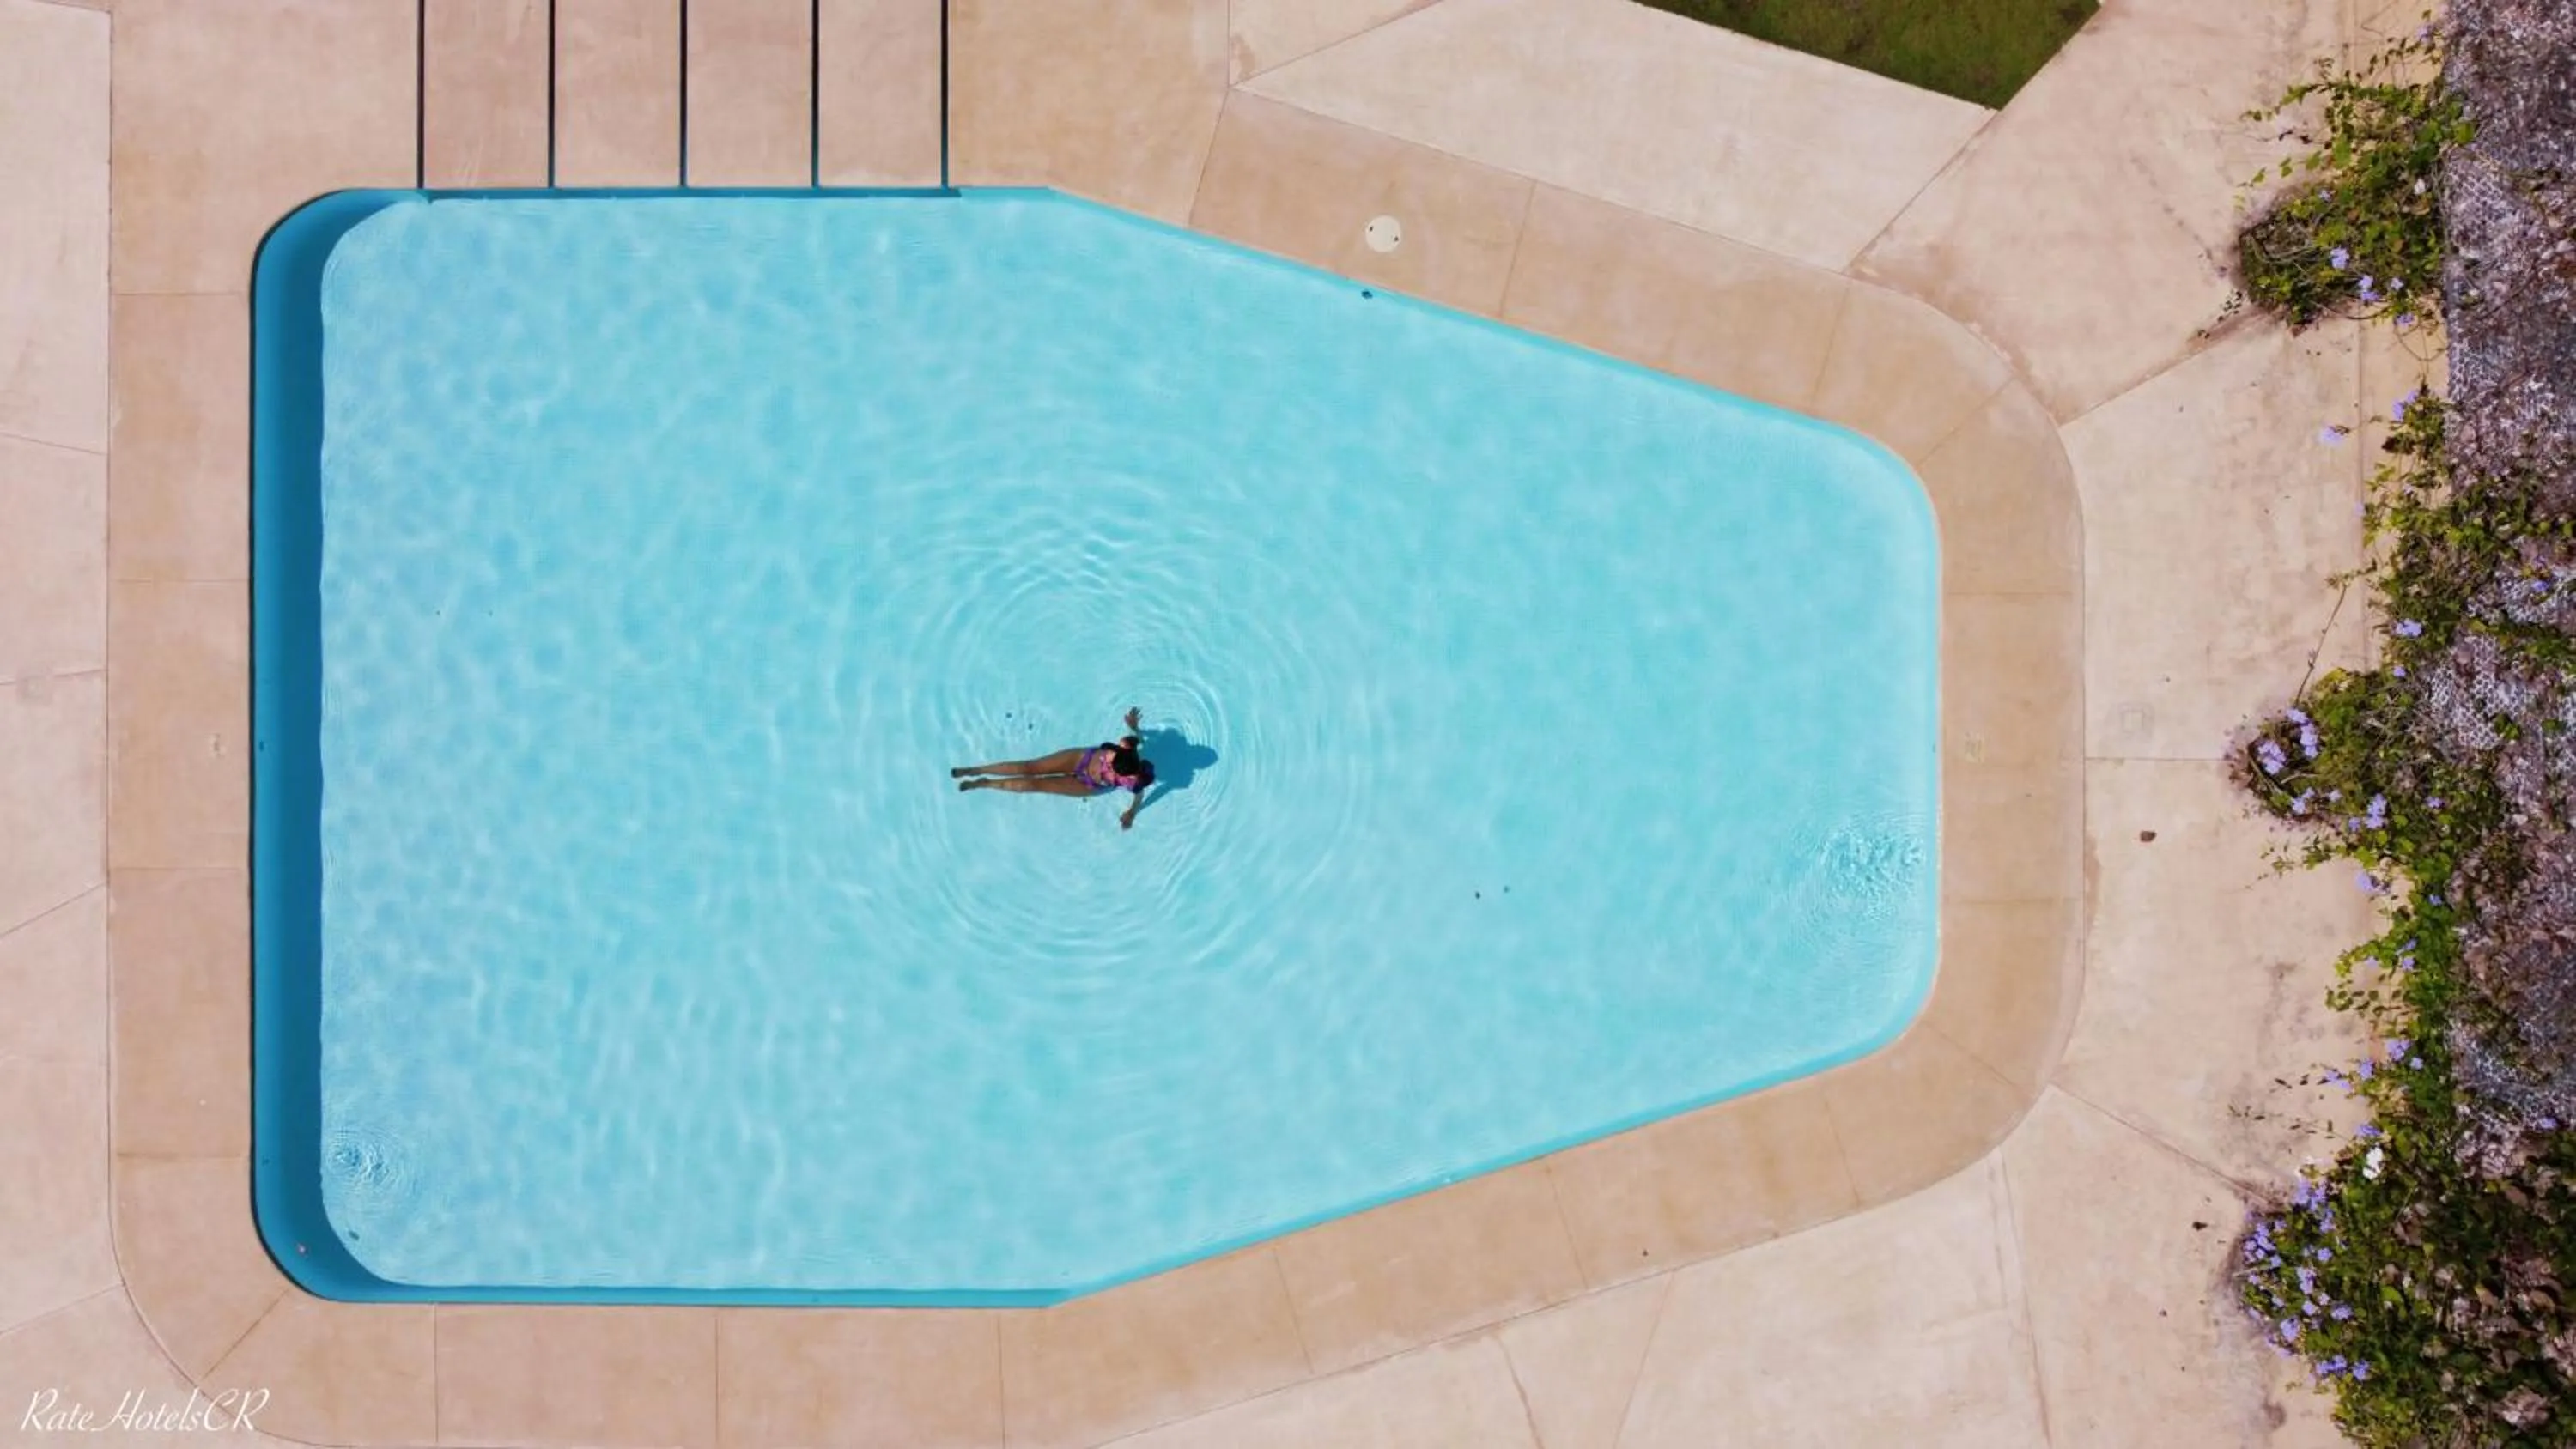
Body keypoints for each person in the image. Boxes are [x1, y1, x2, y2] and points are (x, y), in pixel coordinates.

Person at [952, 707, 1159, 830]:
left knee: (1035, 784)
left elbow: (1138, 795)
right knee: (1029, 767)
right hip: (1083, 759)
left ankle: (986, 783)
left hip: (1089, 784)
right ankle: (976, 770)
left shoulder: (1133, 781)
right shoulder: (1127, 744)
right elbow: (1138, 739)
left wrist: (1131, 814)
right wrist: (1134, 726)